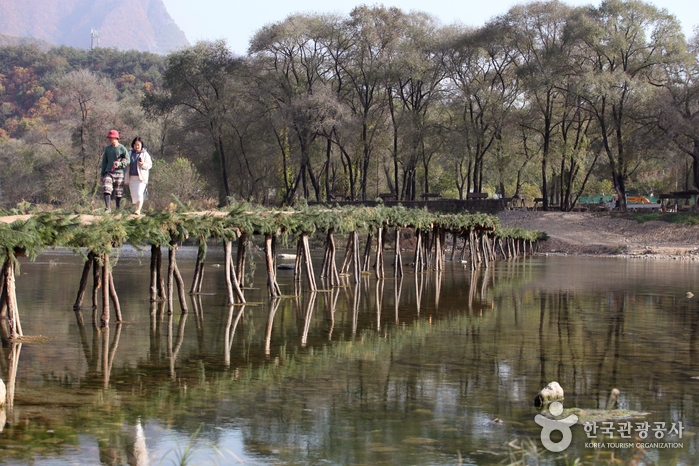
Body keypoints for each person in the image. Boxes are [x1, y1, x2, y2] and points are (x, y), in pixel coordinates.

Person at [100, 130, 130, 211]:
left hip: (119, 172)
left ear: (116, 138)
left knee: (118, 191)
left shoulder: (122, 148)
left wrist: (120, 164)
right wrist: (102, 174)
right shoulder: (107, 149)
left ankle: (118, 208)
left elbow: (128, 161)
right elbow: (104, 162)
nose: (109, 139)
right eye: (109, 137)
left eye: (111, 137)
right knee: (106, 187)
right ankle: (107, 208)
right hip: (109, 172)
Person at [124, 136, 152, 215]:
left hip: (141, 178)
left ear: (141, 145)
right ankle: (136, 209)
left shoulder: (145, 154)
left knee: (139, 193)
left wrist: (142, 164)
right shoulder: (129, 153)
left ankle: (139, 209)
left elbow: (149, 165)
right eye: (135, 145)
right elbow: (126, 163)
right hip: (131, 177)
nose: (136, 146)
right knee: (133, 194)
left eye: (138, 145)